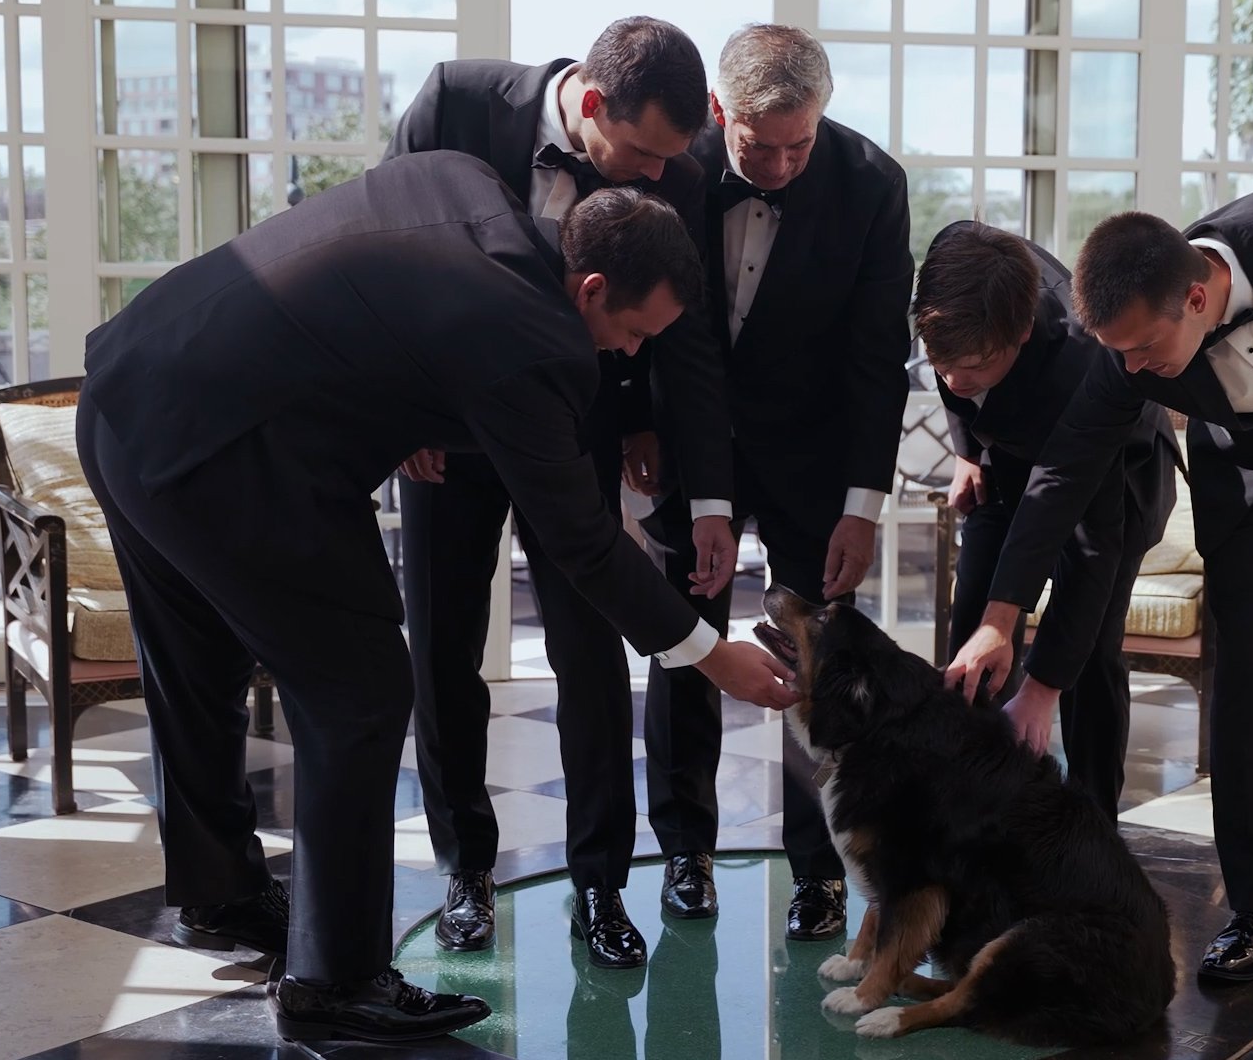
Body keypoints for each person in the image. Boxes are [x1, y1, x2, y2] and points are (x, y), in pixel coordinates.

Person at [77, 156, 795, 1043]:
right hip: (231, 460)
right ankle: (334, 984)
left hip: (124, 397)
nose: (629, 354)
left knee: (198, 663)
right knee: (363, 692)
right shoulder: (536, 340)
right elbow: (581, 540)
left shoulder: (464, 184)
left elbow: (378, 316)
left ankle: (219, 891)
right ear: (591, 287)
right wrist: (709, 653)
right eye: (632, 330)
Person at [947, 185, 1253, 983]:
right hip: (1245, 480)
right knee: (1244, 681)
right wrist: (999, 619)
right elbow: (1063, 473)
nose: (1132, 371)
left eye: (1144, 351)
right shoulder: (1131, 347)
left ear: (1194, 297)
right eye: (1119, 355)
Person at [384, 17, 733, 969]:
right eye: (643, 155)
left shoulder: (677, 168)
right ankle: (466, 869)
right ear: (592, 102)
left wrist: (677, 457)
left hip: (577, 433)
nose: (658, 176)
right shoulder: (454, 103)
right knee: (443, 650)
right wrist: (402, 413)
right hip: (444, 438)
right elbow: (390, 261)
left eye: (670, 159)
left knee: (590, 657)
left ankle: (599, 885)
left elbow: (684, 335)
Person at [637, 24, 912, 939]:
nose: (785, 165)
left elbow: (877, 358)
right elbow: (680, 343)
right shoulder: (674, 169)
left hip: (814, 455)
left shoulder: (873, 186)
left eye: (802, 144)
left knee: (818, 667)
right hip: (695, 440)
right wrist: (706, 498)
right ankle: (685, 852)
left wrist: (861, 506)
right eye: (763, 148)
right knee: (686, 644)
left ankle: (819, 871)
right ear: (721, 114)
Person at [916, 220, 1178, 818]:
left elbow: (1089, 546)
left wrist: (1041, 687)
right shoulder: (954, 264)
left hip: (1117, 477)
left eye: (973, 366)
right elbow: (957, 374)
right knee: (973, 633)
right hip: (1003, 463)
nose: (953, 381)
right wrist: (967, 451)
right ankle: (971, 811)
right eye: (939, 363)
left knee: (1089, 652)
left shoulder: (1083, 364)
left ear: (1022, 332)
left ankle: (1093, 824)